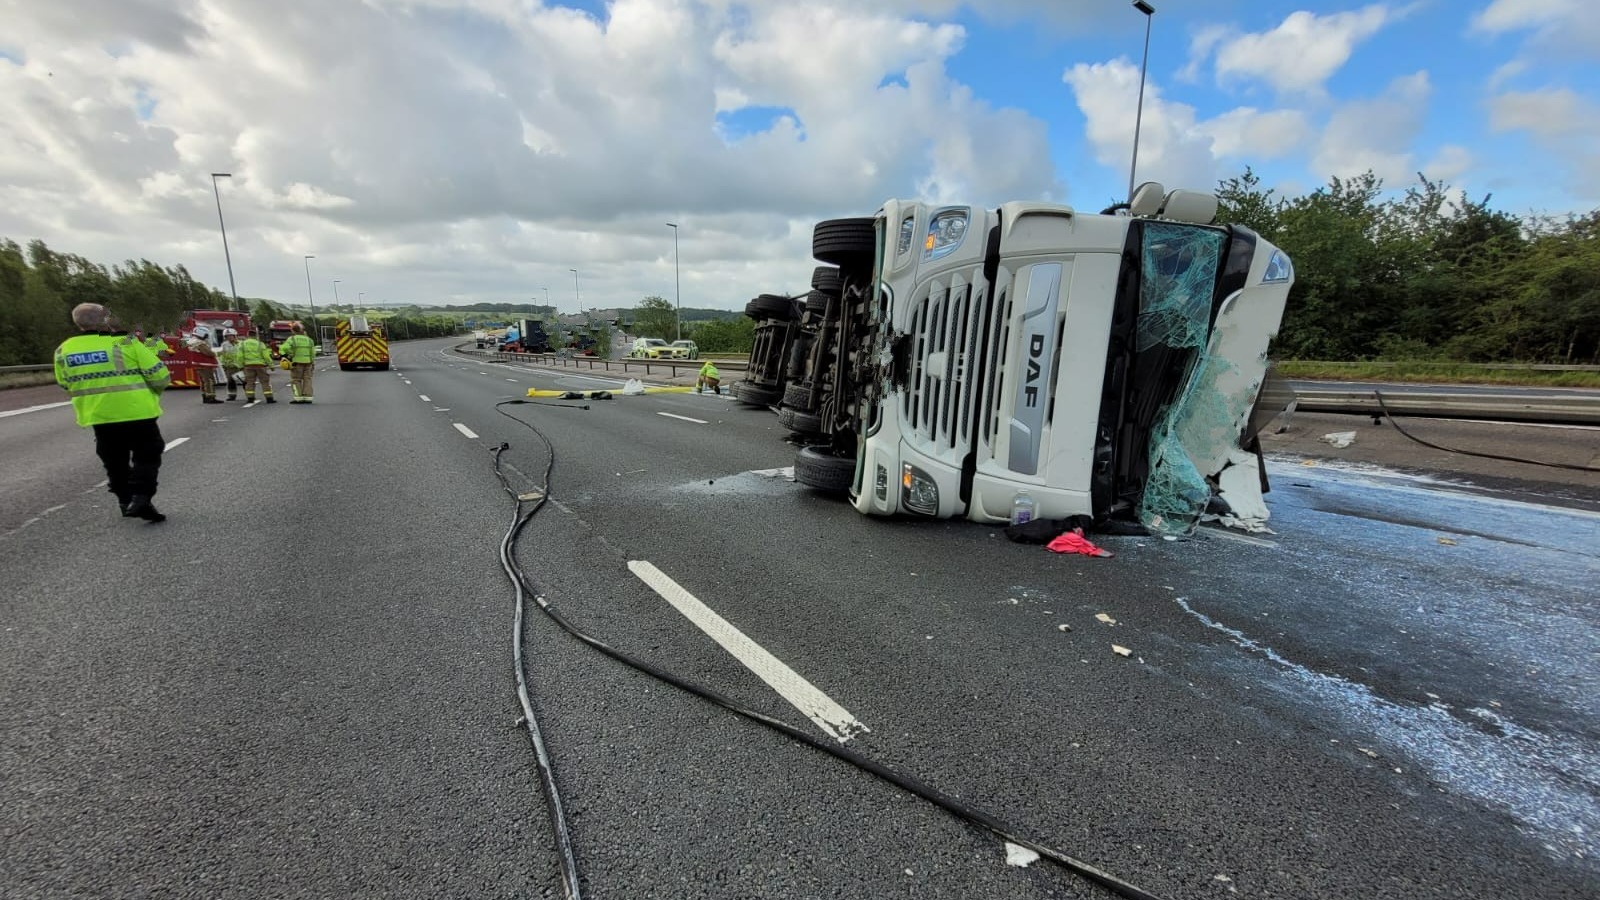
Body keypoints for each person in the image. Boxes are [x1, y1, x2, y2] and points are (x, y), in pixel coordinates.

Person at [53, 303, 170, 522]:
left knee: (114, 460)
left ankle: (125, 501)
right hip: (138, 412)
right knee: (147, 455)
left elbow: (65, 383)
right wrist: (152, 392)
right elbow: (159, 375)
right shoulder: (125, 342)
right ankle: (141, 497)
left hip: (99, 415)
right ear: (106, 320)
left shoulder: (63, 350)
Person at [278, 321, 317, 404]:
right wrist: (312, 362)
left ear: (293, 331)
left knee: (296, 380)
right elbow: (313, 353)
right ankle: (308, 397)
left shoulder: (292, 339)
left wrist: (289, 355)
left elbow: (283, 348)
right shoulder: (309, 340)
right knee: (307, 379)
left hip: (296, 362)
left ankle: (298, 398)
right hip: (308, 362)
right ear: (302, 330)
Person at [237, 328, 277, 404]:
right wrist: (271, 365)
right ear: (255, 336)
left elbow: (239, 356)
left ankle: (250, 398)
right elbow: (266, 356)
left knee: (249, 382)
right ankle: (269, 398)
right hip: (260, 366)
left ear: (248, 335)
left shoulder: (242, 344)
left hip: (248, 366)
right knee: (265, 382)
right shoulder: (260, 344)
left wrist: (240, 366)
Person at [185, 335, 225, 404]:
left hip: (200, 365)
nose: (206, 337)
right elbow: (208, 353)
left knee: (203, 381)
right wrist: (217, 353)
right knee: (209, 381)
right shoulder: (200, 343)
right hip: (205, 365)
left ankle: (205, 396)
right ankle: (210, 397)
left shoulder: (193, 342)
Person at [216, 328, 243, 401]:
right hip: (230, 366)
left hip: (240, 366)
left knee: (244, 381)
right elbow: (221, 355)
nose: (229, 337)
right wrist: (222, 364)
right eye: (227, 336)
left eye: (230, 336)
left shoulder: (241, 344)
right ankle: (232, 395)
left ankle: (250, 395)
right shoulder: (224, 345)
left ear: (235, 336)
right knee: (231, 381)